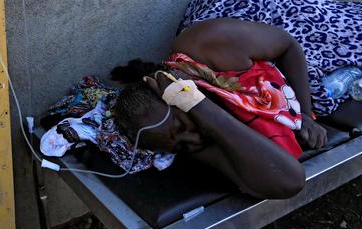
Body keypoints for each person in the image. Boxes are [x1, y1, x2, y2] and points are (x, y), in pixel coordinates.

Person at [112, 18, 327, 199]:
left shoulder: (203, 44)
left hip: (276, 21)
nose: (194, 141)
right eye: (182, 147)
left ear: (178, 92)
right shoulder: (192, 140)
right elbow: (289, 181)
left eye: (181, 126)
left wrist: (304, 114)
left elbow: (287, 45)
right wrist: (198, 106)